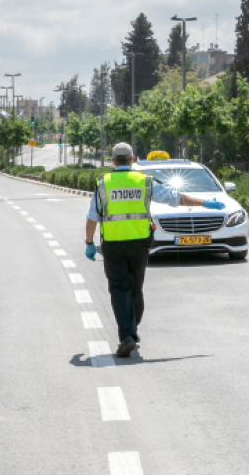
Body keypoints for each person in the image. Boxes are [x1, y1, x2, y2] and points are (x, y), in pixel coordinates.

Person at [85, 143, 225, 357]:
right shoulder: (145, 180)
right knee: (136, 286)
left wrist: (89, 243)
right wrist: (204, 202)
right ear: (132, 159)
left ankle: (127, 335)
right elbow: (175, 198)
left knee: (119, 288)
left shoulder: (103, 183)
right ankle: (132, 328)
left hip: (113, 244)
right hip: (140, 244)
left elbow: (92, 217)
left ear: (112, 160)